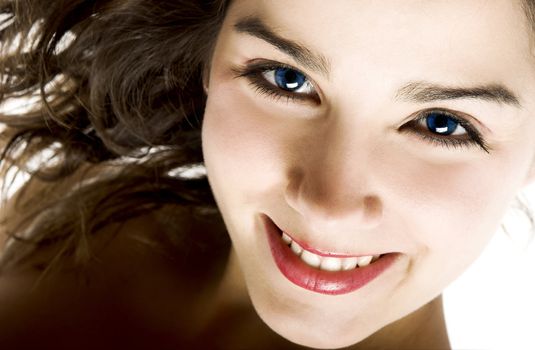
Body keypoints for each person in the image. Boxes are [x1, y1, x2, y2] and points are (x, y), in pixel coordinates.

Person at [0, 0, 534, 349]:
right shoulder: (66, 218)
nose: (329, 203)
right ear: (208, 59)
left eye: (442, 125)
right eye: (287, 79)